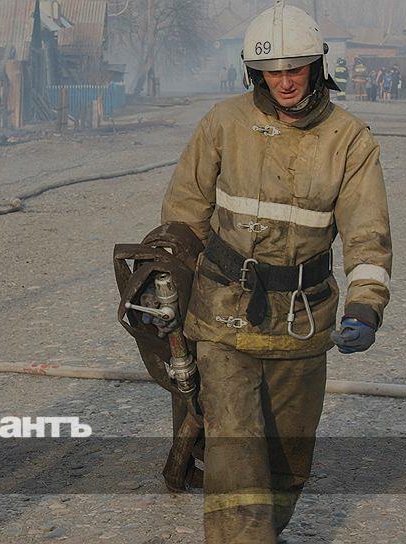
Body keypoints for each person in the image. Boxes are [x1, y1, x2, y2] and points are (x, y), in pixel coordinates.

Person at [159, 1, 392, 542]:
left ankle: (267, 528)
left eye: (295, 69)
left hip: (302, 321)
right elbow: (184, 216)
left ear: (317, 66)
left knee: (289, 454)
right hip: (224, 313)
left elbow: (367, 232)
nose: (284, 82)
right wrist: (166, 286)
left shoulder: (350, 139)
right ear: (254, 72)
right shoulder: (223, 123)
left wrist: (365, 304)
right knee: (235, 446)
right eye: (272, 70)